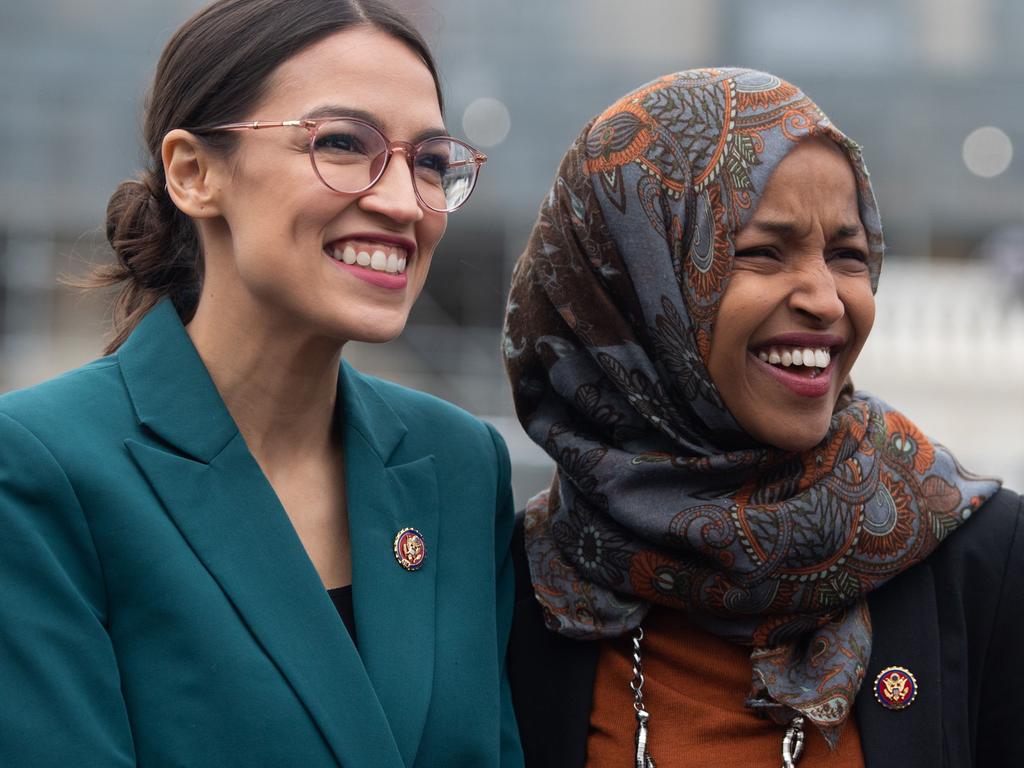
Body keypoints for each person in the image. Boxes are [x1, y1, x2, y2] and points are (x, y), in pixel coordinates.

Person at [0, 1, 522, 765]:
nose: (405, 202)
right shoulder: (42, 469)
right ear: (194, 173)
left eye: (432, 162)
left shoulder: (462, 466)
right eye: (344, 144)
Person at [502, 68, 1023, 767]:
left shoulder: (983, 561)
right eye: (760, 252)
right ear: (629, 283)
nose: (827, 299)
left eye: (847, 254)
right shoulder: (524, 583)